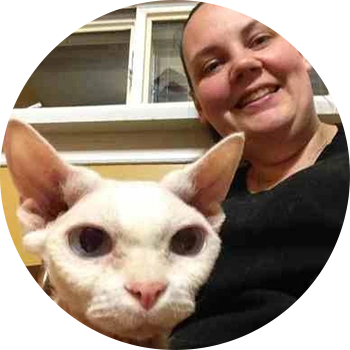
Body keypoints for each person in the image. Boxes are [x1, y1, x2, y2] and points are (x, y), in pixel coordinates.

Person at [170, 1, 349, 349]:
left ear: (303, 53)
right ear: (200, 109)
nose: (243, 64)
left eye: (259, 40)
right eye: (213, 64)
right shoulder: (194, 211)